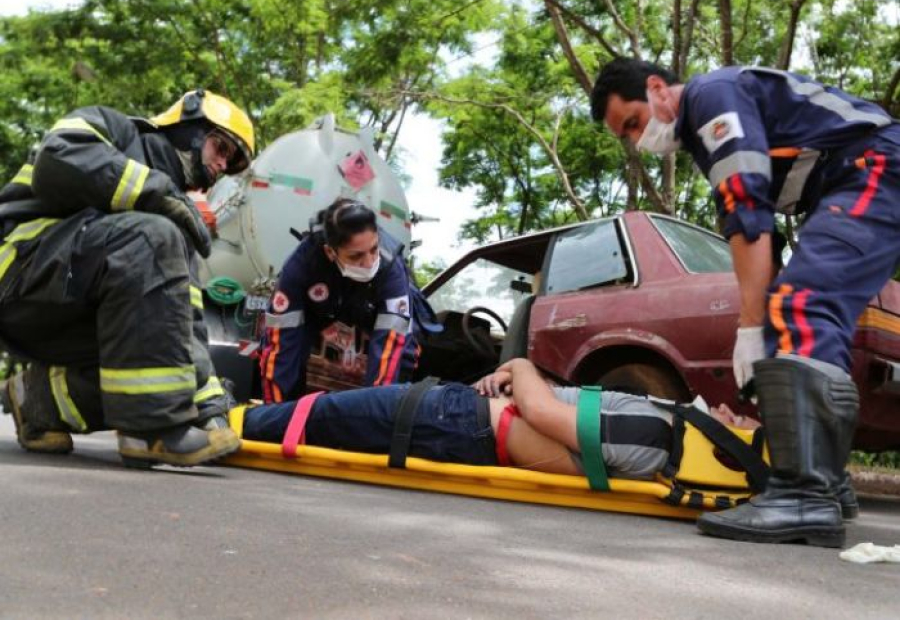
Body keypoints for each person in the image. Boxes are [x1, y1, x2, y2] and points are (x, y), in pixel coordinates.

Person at [590, 58, 899, 546]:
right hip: (858, 178)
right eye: (626, 136)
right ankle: (825, 481)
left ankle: (804, 496)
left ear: (656, 88)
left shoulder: (712, 98)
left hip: (875, 168)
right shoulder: (703, 134)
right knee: (798, 312)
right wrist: (761, 324)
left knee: (802, 304)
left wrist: (751, 328)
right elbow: (756, 238)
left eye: (633, 121)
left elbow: (747, 208)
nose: (637, 139)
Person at [0, 89, 255, 468]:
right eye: (221, 148)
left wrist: (210, 409)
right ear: (189, 128)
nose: (222, 164)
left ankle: (38, 399)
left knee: (158, 356)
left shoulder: (172, 225)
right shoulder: (116, 129)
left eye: (231, 161)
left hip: (65, 310)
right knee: (151, 236)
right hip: (16, 271)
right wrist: (159, 193)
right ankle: (150, 431)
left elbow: (186, 324)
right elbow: (58, 159)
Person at [243, 358, 762, 481]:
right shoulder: (663, 429)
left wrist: (520, 367)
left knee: (319, 415)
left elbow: (542, 414)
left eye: (745, 422)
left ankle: (224, 424)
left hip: (453, 422)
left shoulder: (655, 436)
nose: (734, 410)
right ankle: (233, 418)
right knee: (320, 416)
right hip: (458, 417)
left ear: (732, 444)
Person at [258, 198, 438, 403]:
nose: (370, 263)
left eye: (373, 249)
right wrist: (275, 412)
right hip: (318, 310)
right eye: (356, 256)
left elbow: (390, 350)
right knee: (287, 357)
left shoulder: (390, 269)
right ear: (330, 252)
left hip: (371, 312)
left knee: (403, 356)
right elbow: (280, 345)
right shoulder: (301, 265)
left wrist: (375, 411)